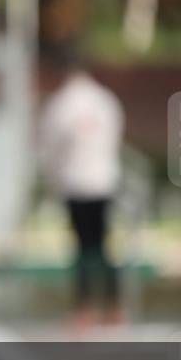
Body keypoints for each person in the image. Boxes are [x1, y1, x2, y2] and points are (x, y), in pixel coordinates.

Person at [38, 53, 125, 326]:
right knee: (102, 244)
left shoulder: (61, 104)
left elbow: (49, 145)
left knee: (83, 246)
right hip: (103, 181)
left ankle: (85, 307)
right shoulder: (105, 100)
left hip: (76, 182)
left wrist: (51, 177)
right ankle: (113, 305)